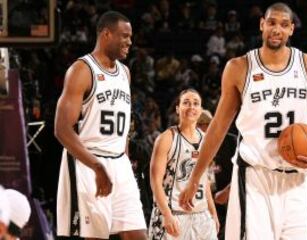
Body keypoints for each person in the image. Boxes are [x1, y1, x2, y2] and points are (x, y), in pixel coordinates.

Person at [179, 2, 307, 240]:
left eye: (284, 25)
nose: (277, 29)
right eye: (272, 23)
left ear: (291, 29)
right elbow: (219, 127)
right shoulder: (239, 67)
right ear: (262, 25)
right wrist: (195, 177)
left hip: (297, 179)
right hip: (256, 178)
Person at [54, 11, 147, 239]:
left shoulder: (125, 72)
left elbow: (124, 128)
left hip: (119, 163)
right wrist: (96, 166)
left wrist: (124, 161)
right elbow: (62, 129)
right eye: (124, 36)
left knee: (137, 234)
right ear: (106, 34)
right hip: (88, 162)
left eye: (131, 37)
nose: (130, 42)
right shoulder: (82, 70)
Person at [149, 89, 219, 240]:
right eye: (186, 103)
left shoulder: (206, 140)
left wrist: (212, 211)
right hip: (173, 214)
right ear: (177, 108)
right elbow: (155, 181)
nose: (191, 107)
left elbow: (204, 180)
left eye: (196, 103)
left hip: (201, 215)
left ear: (200, 110)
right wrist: (166, 215)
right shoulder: (166, 138)